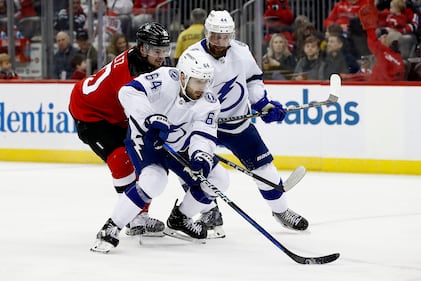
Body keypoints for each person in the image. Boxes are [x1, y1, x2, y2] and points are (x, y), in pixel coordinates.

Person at [183, 10, 309, 237]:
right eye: (215, 36)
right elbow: (185, 92)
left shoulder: (240, 51)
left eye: (225, 36)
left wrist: (262, 103)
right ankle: (209, 210)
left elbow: (253, 79)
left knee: (265, 169)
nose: (220, 42)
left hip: (237, 123)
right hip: (203, 126)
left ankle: (281, 211)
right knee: (194, 170)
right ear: (206, 32)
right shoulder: (192, 55)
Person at [91, 49, 230, 253]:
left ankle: (180, 218)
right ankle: (111, 227)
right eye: (197, 81)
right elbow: (128, 91)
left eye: (206, 81)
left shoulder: (209, 102)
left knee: (219, 179)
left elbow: (203, 134)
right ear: (183, 76)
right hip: (147, 141)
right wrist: (150, 118)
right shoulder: (164, 78)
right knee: (154, 181)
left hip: (179, 146)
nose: (203, 87)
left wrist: (201, 155)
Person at [68, 22, 171, 238]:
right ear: (142, 49)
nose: (162, 56)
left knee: (138, 159)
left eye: (164, 50)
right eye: (156, 51)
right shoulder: (131, 74)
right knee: (122, 159)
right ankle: (135, 219)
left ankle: (137, 217)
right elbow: (141, 113)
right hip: (90, 112)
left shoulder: (146, 60)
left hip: (114, 114)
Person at [359, 0, 406, 80]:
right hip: (384, 88)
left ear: (389, 41)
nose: (382, 37)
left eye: (385, 36)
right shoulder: (399, 60)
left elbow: (372, 40)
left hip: (378, 88)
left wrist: (369, 28)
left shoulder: (383, 50)